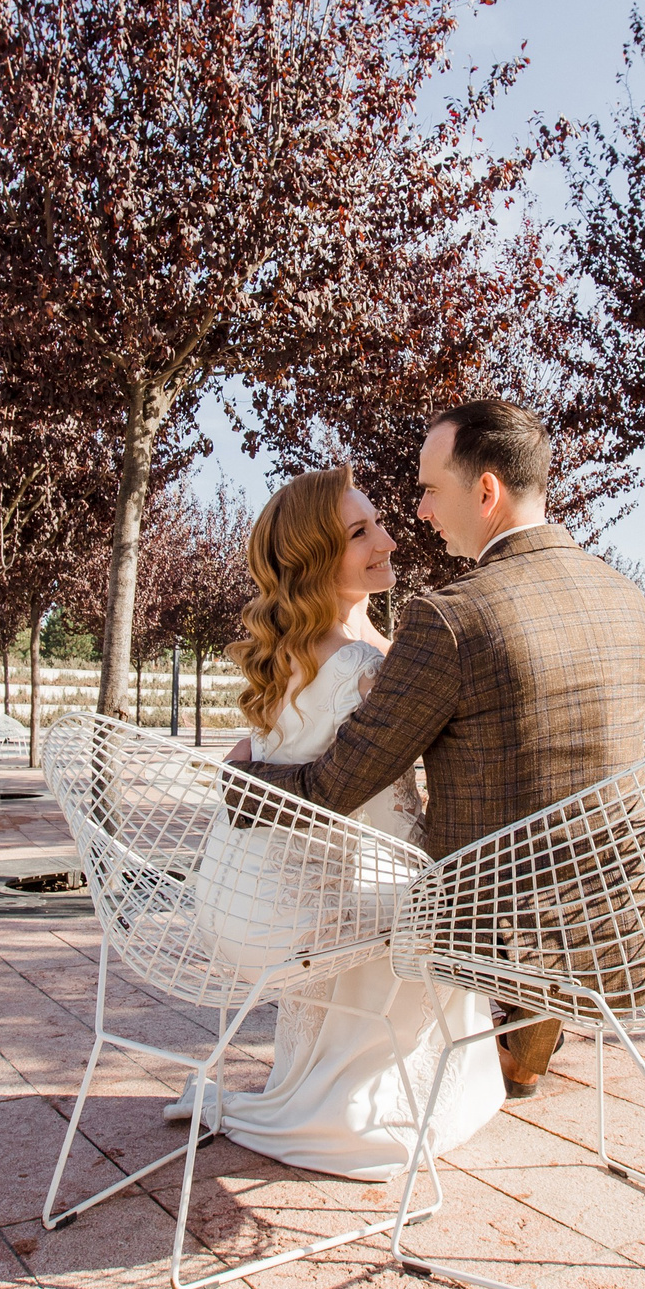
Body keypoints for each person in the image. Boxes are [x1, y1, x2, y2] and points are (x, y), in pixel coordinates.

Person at [228, 399, 645, 1100]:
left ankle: (518, 1013)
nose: (419, 513)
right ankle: (531, 1021)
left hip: (494, 918)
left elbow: (339, 783)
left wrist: (241, 784)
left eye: (428, 490)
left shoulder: (453, 617)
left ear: (485, 491)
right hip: (624, 914)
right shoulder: (624, 596)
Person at [166, 465, 505, 1179]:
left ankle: (315, 1084)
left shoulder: (294, 652)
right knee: (445, 896)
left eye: (378, 521)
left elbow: (253, 760)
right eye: (360, 533)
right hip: (347, 891)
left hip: (275, 894)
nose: (387, 538)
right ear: (318, 558)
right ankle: (382, 1100)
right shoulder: (362, 662)